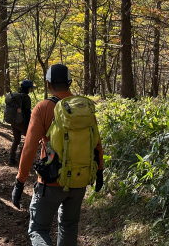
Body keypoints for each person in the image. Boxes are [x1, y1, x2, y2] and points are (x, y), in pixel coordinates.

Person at [11, 64, 104, 246]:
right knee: (69, 225)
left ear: (48, 84)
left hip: (51, 181)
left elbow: (29, 148)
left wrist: (20, 181)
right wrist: (99, 170)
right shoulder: (84, 107)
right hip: (79, 179)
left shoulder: (43, 107)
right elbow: (96, 143)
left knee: (38, 229)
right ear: (70, 82)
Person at [9, 79, 35, 166]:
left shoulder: (15, 97)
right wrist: (29, 123)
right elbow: (27, 112)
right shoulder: (26, 98)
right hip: (22, 122)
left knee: (16, 140)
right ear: (28, 88)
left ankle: (11, 159)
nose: (31, 89)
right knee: (29, 139)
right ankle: (21, 157)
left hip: (14, 121)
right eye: (30, 88)